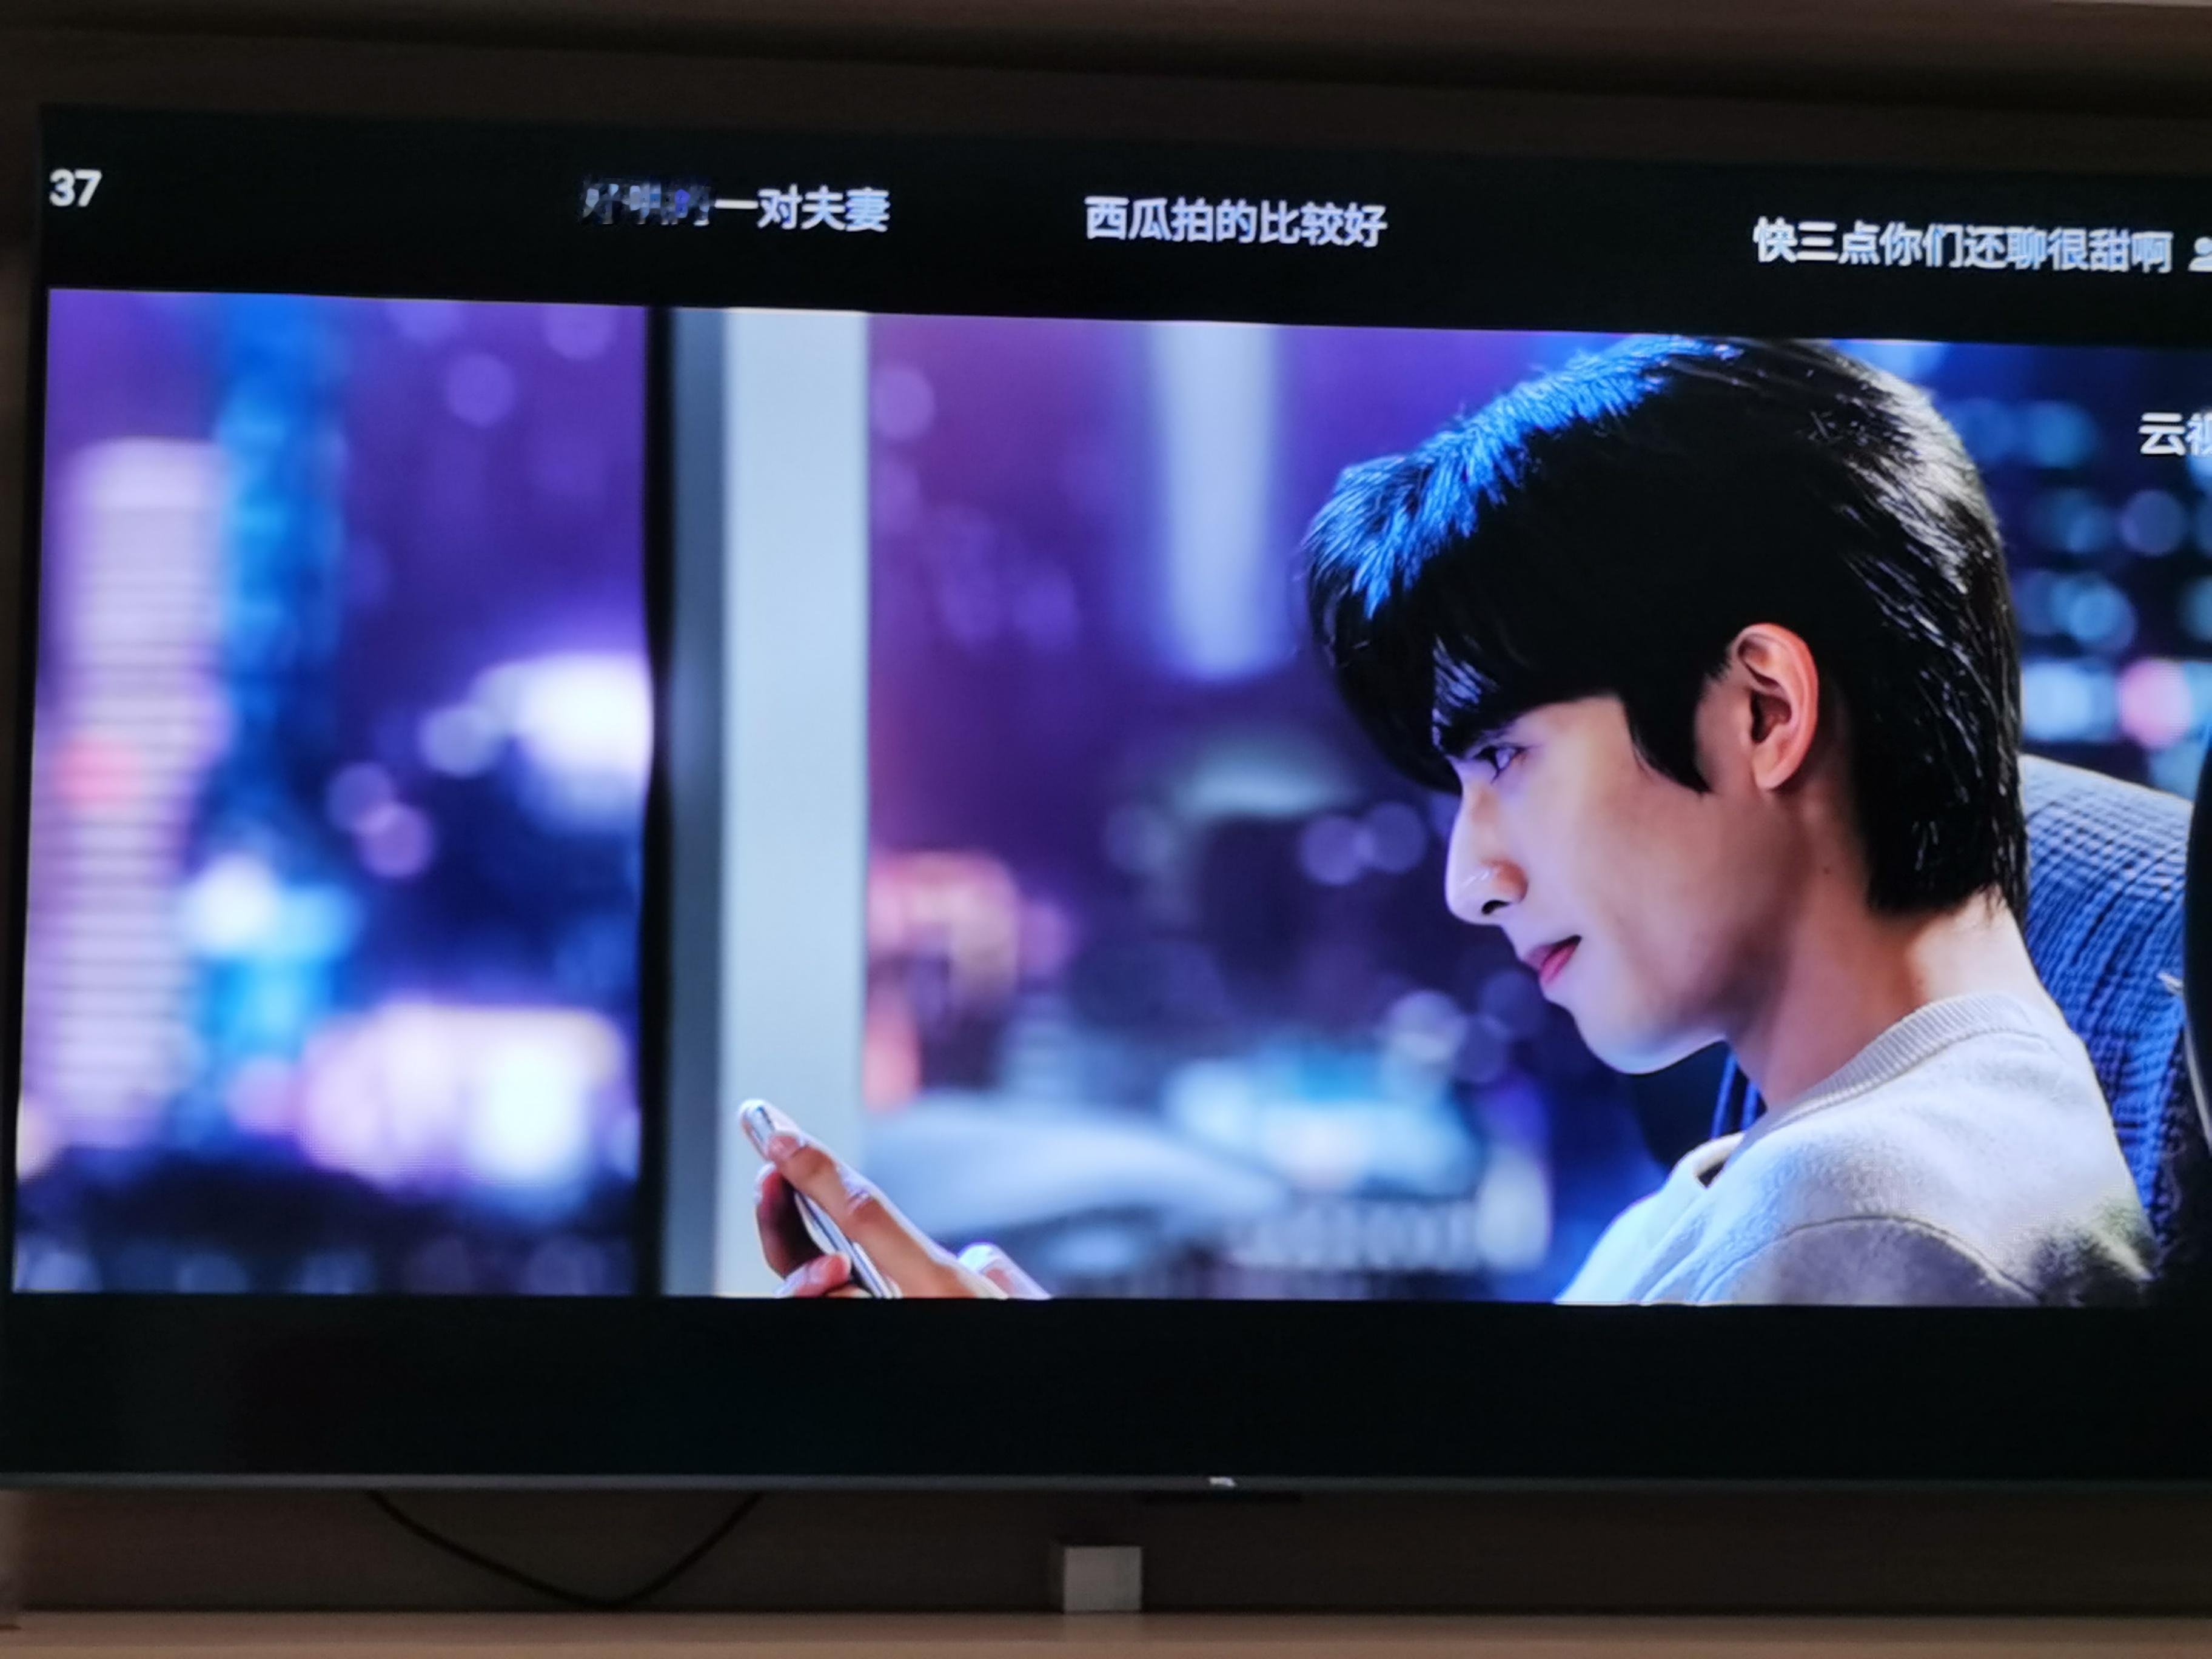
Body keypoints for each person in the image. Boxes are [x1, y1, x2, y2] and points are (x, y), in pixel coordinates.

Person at [752, 335, 2155, 1306]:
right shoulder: (1852, 1151)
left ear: (1762, 710)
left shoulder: (1864, 1221)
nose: (1470, 881)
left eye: (1506, 757)